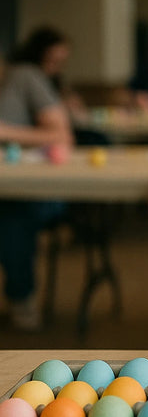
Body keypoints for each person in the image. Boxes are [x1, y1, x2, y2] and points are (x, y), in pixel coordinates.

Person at [0, 50, 73, 331]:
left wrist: (6, 133)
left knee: (11, 212)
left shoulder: (23, 77)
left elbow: (62, 134)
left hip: (27, 190)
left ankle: (21, 296)